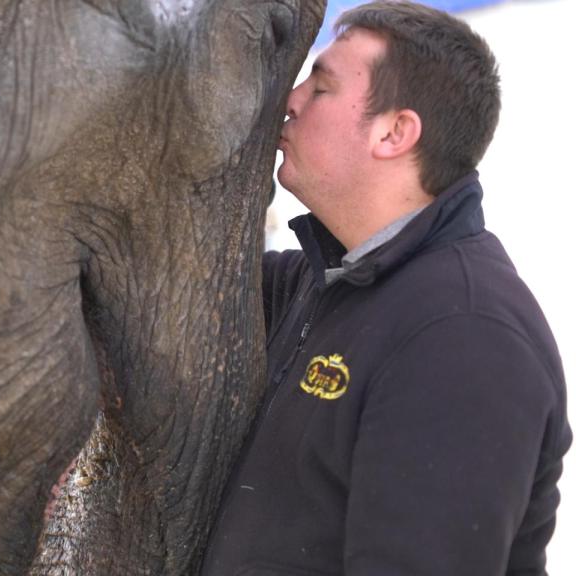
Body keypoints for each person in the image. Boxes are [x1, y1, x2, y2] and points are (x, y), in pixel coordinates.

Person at [201, 1, 571, 574]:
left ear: (394, 132)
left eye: (320, 88)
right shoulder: (325, 281)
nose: (290, 100)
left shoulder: (464, 338)